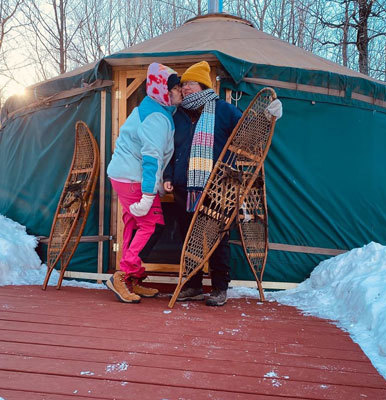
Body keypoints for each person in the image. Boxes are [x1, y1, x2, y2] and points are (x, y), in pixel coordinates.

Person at [163, 61, 282, 306]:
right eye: (184, 85)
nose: (186, 89)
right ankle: (193, 285)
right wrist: (168, 176)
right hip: (185, 188)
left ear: (204, 85)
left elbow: (249, 133)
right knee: (188, 237)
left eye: (191, 84)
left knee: (217, 239)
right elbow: (171, 150)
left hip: (217, 186)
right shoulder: (180, 116)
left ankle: (219, 288)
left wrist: (268, 116)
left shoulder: (223, 110)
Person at [106, 62, 183, 303]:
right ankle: (122, 276)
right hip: (132, 178)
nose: (180, 91)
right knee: (150, 225)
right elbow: (151, 158)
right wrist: (149, 194)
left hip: (126, 175)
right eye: (177, 87)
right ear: (164, 91)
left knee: (137, 223)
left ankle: (132, 278)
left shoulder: (154, 109)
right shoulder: (156, 118)